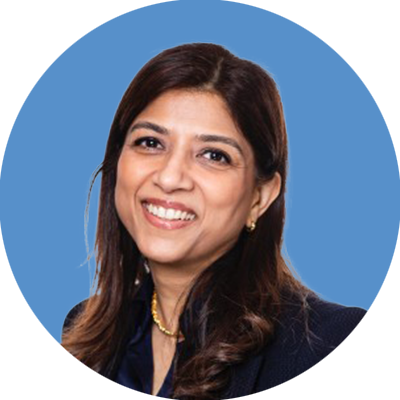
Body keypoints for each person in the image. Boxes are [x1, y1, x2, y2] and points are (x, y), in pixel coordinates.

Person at [61, 43, 366, 399]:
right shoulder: (85, 332)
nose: (170, 177)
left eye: (214, 155)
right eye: (150, 142)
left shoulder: (333, 345)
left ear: (260, 196)